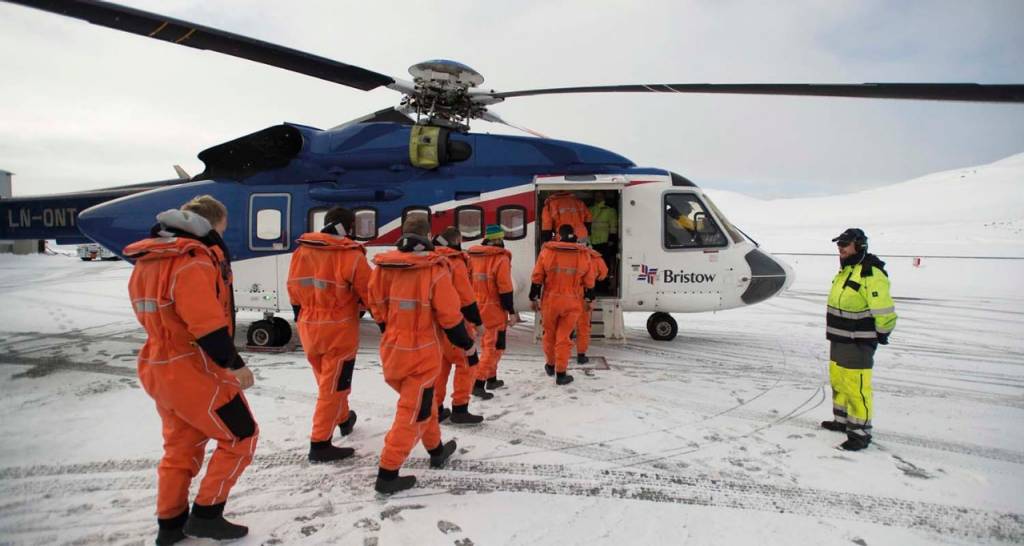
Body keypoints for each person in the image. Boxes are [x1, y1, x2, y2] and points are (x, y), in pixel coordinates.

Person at [124, 195, 256, 544]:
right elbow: (206, 324)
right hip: (194, 368)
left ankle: (170, 525)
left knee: (181, 447)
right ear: (212, 225)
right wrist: (235, 365)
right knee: (241, 435)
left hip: (157, 364)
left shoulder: (148, 259)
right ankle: (207, 514)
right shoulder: (192, 262)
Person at [368, 216, 474, 493]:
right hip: (422, 353)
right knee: (413, 413)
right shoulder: (434, 269)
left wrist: (391, 330)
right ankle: (388, 473)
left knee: (421, 405)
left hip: (391, 350)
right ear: (428, 235)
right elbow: (450, 316)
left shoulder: (382, 267)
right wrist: (467, 344)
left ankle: (436, 450)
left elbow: (375, 306)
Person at [286, 207, 369, 463]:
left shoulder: (302, 250)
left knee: (327, 379)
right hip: (339, 328)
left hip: (308, 325)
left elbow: (292, 288)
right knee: (333, 385)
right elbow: (370, 292)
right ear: (349, 226)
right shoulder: (350, 255)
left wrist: (302, 315)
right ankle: (320, 443)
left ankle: (343, 419)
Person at [821, 228, 897, 451]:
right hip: (839, 338)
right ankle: (842, 421)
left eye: (845, 244)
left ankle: (860, 433)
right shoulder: (847, 271)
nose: (840, 248)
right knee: (839, 380)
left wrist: (882, 333)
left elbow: (883, 310)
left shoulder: (870, 273)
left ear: (860, 246)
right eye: (839, 244)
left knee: (856, 386)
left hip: (858, 341)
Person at [431, 227, 486, 424]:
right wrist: (477, 322)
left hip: (434, 325)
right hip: (455, 321)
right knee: (467, 362)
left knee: (441, 366)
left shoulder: (429, 261)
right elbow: (465, 296)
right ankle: (460, 409)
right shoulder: (455, 263)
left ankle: (435, 408)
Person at [530, 224, 596, 385]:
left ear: (558, 235)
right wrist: (589, 299)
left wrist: (533, 297)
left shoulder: (547, 251)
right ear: (573, 234)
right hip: (572, 301)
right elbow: (589, 281)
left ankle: (550, 365)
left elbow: (537, 276)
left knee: (549, 334)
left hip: (550, 300)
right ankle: (561, 373)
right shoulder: (583, 254)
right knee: (564, 337)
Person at [467, 225, 518, 396]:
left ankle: (492, 378)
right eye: (501, 237)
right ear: (497, 239)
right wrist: (511, 311)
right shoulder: (500, 259)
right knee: (494, 347)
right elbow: (505, 288)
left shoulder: (472, 257)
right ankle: (479, 383)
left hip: (475, 307)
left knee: (488, 344)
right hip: (494, 310)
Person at [575, 244, 609, 364]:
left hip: (568, 295)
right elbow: (603, 275)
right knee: (583, 328)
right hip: (586, 296)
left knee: (565, 327)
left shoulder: (569, 255)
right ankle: (581, 355)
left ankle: (562, 353)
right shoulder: (596, 258)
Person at [589, 191, 618, 291]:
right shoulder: (590, 209)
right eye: (596, 195)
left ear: (604, 197)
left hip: (604, 242)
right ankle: (594, 286)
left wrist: (611, 239)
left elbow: (613, 227)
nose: (598, 197)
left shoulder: (610, 211)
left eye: (600, 195)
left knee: (603, 266)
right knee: (592, 266)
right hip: (591, 242)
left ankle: (603, 286)